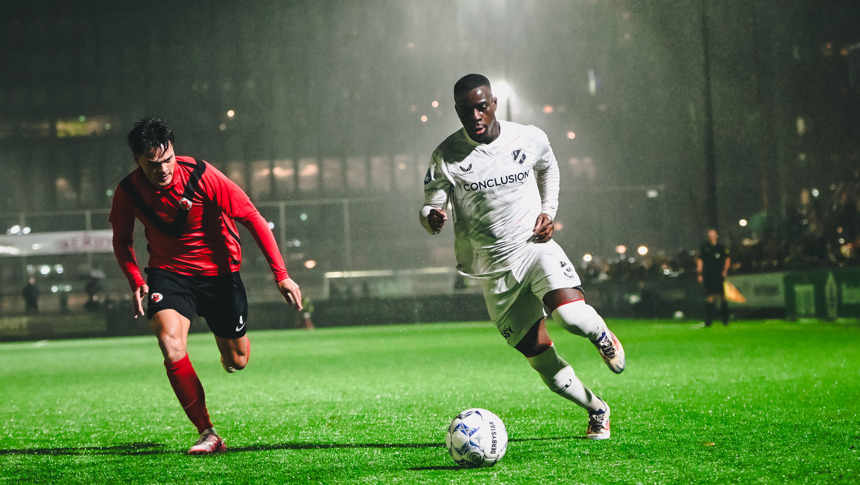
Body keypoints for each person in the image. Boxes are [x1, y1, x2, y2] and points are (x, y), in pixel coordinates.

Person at [419, 74, 625, 440]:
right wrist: (431, 217)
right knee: (542, 360)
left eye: (482, 107)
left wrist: (549, 209)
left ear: (494, 103)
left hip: (534, 248)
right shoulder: (445, 155)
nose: (476, 116)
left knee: (571, 318)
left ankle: (602, 335)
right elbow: (431, 204)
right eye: (467, 110)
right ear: (457, 111)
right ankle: (597, 409)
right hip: (492, 271)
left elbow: (548, 165)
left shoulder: (528, 137)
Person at [110, 118, 302, 454]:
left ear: (174, 151)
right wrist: (136, 280)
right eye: (153, 164)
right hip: (168, 275)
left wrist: (281, 274)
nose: (164, 169)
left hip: (220, 275)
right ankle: (208, 432)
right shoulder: (128, 192)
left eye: (168, 159)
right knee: (170, 344)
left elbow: (253, 217)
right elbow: (121, 240)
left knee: (237, 361)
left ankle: (228, 341)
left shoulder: (202, 175)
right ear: (137, 161)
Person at [696, 228, 731, 326]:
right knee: (710, 297)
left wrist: (725, 271)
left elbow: (727, 259)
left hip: (719, 274)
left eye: (713, 235)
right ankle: (708, 320)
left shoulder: (721, 247)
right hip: (709, 275)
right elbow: (700, 261)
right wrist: (699, 273)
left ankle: (725, 319)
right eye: (710, 235)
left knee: (722, 297)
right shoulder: (705, 248)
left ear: (716, 236)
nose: (712, 237)